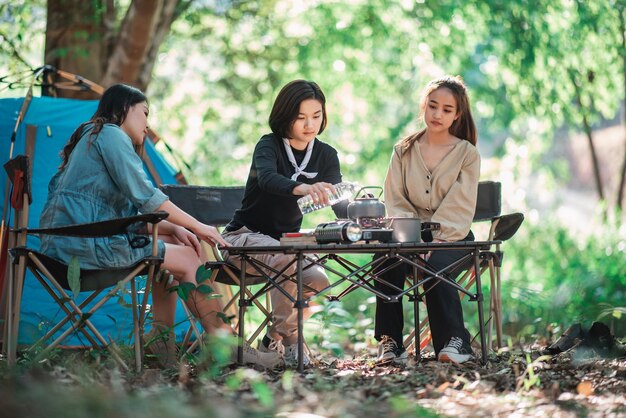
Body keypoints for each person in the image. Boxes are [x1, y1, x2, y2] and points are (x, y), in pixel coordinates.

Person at [39, 83, 281, 369]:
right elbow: (147, 198)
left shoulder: (92, 137)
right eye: (144, 113)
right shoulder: (110, 134)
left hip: (70, 243)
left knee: (180, 244)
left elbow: (118, 215)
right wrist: (199, 226)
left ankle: (161, 340)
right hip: (81, 249)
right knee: (190, 257)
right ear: (124, 109)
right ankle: (226, 345)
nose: (147, 123)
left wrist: (177, 229)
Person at [222, 79, 346, 367]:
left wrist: (364, 220)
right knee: (288, 260)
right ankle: (292, 341)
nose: (309, 124)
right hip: (242, 239)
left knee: (317, 279)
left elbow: (338, 201)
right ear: (284, 116)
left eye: (316, 116)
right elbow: (267, 179)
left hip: (284, 244)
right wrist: (301, 187)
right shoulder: (269, 145)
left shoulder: (326, 154)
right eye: (300, 117)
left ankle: (271, 341)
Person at [374, 75, 480, 364]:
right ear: (424, 105)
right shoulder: (403, 150)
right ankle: (390, 342)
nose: (437, 114)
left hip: (454, 238)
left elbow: (461, 202)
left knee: (435, 265)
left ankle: (455, 343)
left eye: (447, 109)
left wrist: (436, 238)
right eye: (433, 106)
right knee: (384, 259)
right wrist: (413, 239)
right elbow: (395, 198)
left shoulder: (467, 154)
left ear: (457, 114)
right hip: (408, 235)